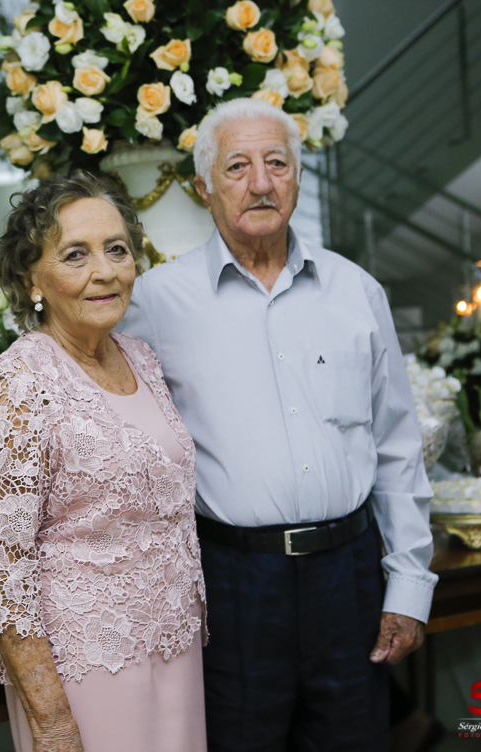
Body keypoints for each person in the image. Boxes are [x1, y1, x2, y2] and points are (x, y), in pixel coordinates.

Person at [119, 98, 436, 752]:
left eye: (277, 164)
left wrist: (409, 586)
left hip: (348, 577)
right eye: (237, 166)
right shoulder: (154, 304)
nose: (261, 183)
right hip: (232, 585)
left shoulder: (356, 292)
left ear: (297, 177)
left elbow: (398, 447)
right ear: (204, 187)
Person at [0, 172, 207, 752]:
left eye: (117, 250)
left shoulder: (142, 359)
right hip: (88, 667)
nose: (105, 271)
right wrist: (52, 722)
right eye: (76, 255)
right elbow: (1, 570)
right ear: (32, 280)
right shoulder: (19, 383)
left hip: (176, 649)